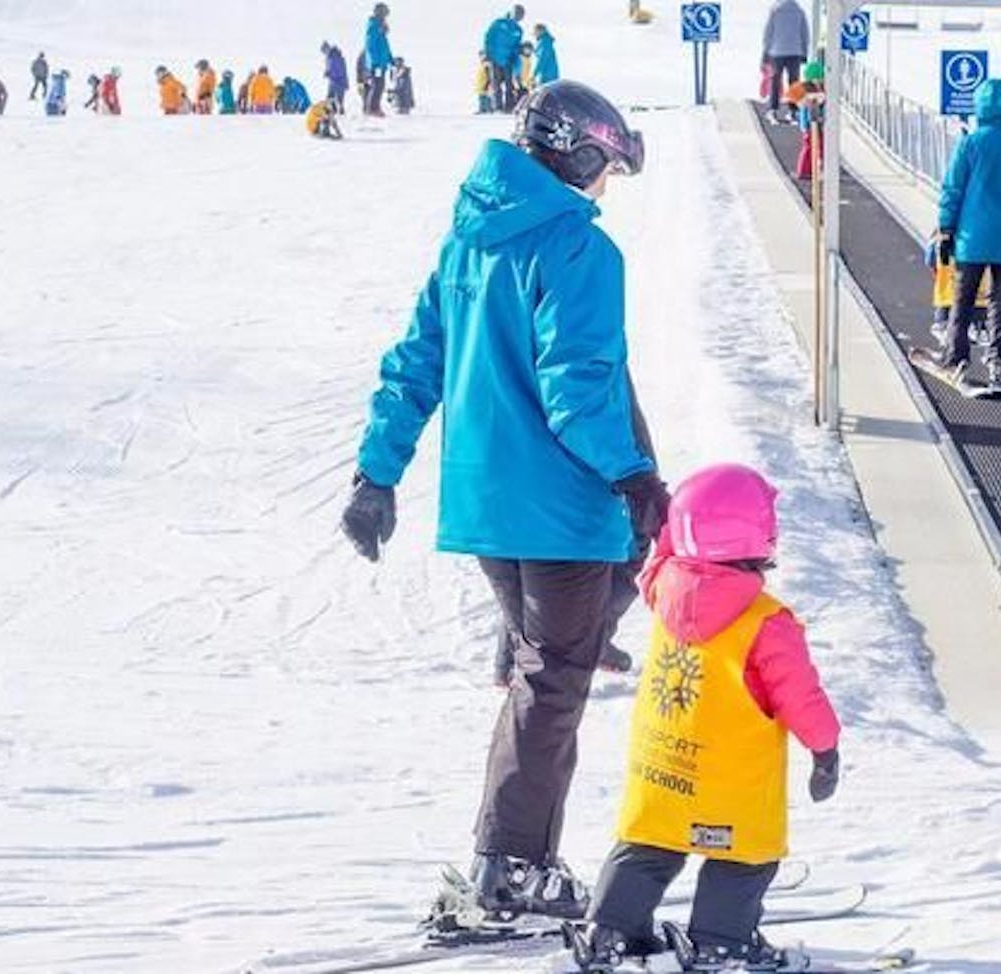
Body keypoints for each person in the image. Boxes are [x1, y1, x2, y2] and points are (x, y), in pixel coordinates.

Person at [340, 79, 658, 928]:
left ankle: (523, 841)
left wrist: (377, 474)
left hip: (489, 510)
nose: (604, 188)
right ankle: (512, 867)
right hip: (561, 509)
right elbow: (576, 388)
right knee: (551, 689)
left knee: (547, 670)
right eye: (605, 168)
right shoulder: (578, 250)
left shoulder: (467, 242)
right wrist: (632, 475)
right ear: (580, 155)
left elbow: (414, 362)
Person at [569, 464, 842, 970]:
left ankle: (610, 928)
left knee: (648, 845)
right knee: (745, 858)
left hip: (664, 766)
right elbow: (800, 696)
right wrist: (825, 749)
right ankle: (721, 938)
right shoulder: (766, 621)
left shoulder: (663, 589)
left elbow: (660, 557)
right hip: (732, 779)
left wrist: (676, 528)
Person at [911, 78, 1001, 398]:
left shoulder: (970, 144)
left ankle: (955, 358)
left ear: (979, 107)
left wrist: (946, 229)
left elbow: (952, 190)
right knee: (1000, 299)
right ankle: (1000, 361)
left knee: (963, 298)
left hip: (971, 238)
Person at [760, 0, 809, 124]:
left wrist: (765, 52)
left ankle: (773, 110)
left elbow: (768, 33)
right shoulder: (799, 11)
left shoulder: (775, 10)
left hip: (777, 51)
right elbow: (805, 34)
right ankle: (793, 111)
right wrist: (804, 51)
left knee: (775, 81)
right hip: (795, 51)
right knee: (794, 81)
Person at [784, 61, 824, 180]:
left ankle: (812, 169)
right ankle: (803, 171)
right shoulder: (808, 88)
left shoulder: (813, 88)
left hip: (814, 123)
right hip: (809, 124)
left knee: (816, 147)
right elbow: (792, 96)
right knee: (809, 147)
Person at [484, 7, 524, 113]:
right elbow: (488, 38)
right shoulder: (498, 23)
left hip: (508, 60)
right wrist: (488, 54)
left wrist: (516, 57)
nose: (518, 17)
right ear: (511, 13)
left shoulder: (518, 29)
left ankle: (509, 107)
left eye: (520, 16)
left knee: (509, 84)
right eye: (517, 14)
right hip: (495, 59)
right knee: (496, 83)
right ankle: (498, 107)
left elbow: (516, 46)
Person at [363, 2, 394, 117]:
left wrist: (391, 60)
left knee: (380, 85)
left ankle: (375, 107)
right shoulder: (373, 27)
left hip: (381, 64)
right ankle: (372, 109)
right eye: (384, 15)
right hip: (376, 64)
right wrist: (375, 63)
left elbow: (385, 48)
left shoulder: (380, 30)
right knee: (377, 85)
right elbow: (370, 47)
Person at [322, 42, 349, 113]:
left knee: (338, 99)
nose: (325, 53)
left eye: (324, 50)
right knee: (330, 98)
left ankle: (340, 112)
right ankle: (333, 111)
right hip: (333, 82)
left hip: (339, 82)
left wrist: (329, 73)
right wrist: (327, 72)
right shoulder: (329, 57)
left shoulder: (335, 56)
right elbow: (331, 68)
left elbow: (340, 70)